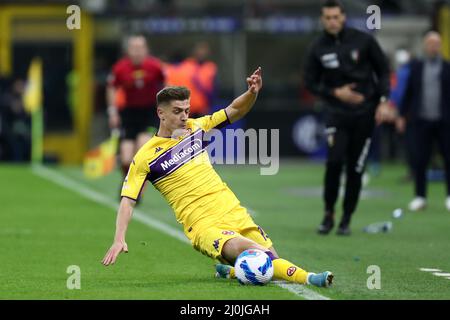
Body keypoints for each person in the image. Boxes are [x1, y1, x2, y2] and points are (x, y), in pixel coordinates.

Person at [102, 68, 334, 288]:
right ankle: (311, 278)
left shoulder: (197, 127)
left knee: (270, 264)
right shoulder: (145, 156)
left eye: (186, 110)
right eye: (177, 111)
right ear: (160, 113)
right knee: (262, 258)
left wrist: (252, 92)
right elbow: (128, 199)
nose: (184, 116)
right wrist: (119, 238)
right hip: (204, 225)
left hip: (232, 210)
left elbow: (236, 109)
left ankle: (231, 271)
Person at [303, 0, 394, 235]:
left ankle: (346, 219)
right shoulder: (318, 47)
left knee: (356, 167)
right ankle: (328, 214)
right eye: (327, 18)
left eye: (336, 17)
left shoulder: (363, 40)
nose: (332, 21)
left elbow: (383, 71)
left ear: (343, 17)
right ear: (322, 20)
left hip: (365, 114)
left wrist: (383, 101)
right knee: (334, 162)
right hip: (336, 113)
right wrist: (336, 92)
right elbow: (310, 82)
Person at [396, 31, 450, 212]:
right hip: (421, 120)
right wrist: (401, 115)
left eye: (436, 43)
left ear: (440, 45)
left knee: (448, 158)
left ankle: (449, 196)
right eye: (430, 43)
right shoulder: (417, 67)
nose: (433, 46)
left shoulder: (447, 67)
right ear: (425, 45)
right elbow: (409, 93)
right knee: (420, 159)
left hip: (444, 121)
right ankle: (420, 197)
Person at [107, 35, 165, 186]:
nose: (137, 52)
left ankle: (138, 188)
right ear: (128, 50)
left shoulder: (155, 66)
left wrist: (167, 108)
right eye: (134, 48)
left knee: (141, 152)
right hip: (129, 114)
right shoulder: (120, 68)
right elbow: (112, 87)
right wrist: (112, 112)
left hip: (149, 112)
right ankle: (127, 180)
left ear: (146, 50)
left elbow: (166, 83)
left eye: (140, 48)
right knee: (126, 159)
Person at [164, 41, 217, 118]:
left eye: (203, 50)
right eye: (199, 49)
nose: (201, 52)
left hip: (200, 108)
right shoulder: (189, 65)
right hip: (186, 108)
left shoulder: (210, 67)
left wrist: (208, 104)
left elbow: (212, 89)